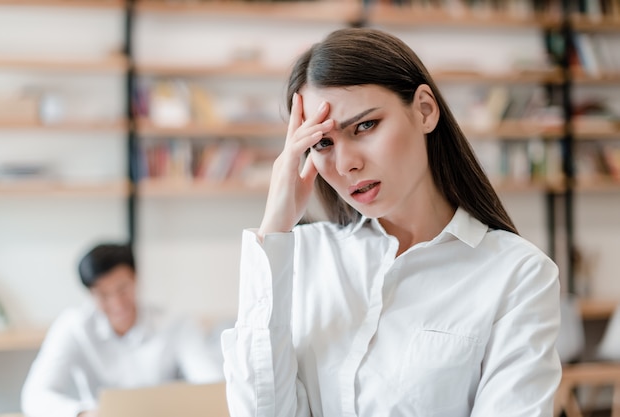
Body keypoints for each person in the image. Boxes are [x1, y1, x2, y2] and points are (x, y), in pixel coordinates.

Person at [221, 27, 561, 417]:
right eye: (322, 143)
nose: (346, 163)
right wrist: (274, 230)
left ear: (424, 110)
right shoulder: (300, 258)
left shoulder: (518, 276)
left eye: (365, 126)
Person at [21, 243, 224, 417]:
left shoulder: (176, 324)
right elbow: (35, 396)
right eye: (103, 295)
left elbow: (212, 385)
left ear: (135, 279)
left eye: (122, 289)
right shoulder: (74, 327)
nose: (117, 303)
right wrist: (83, 413)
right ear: (90, 293)